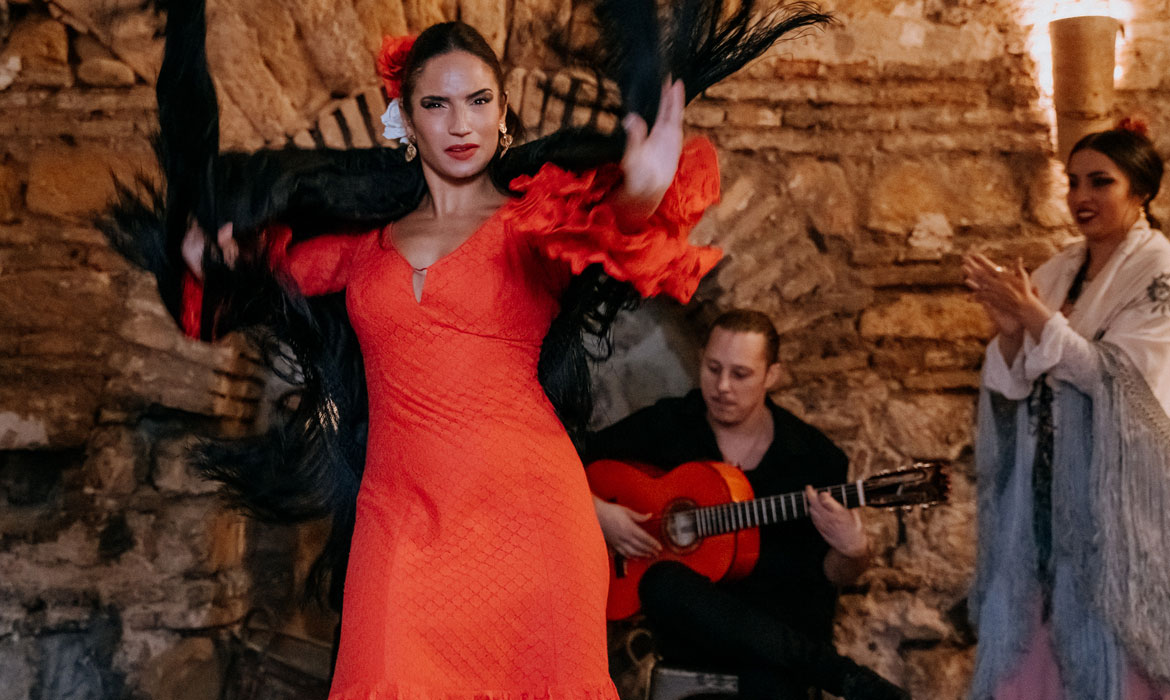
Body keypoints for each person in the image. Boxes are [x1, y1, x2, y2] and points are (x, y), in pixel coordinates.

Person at [102, 0, 837, 697]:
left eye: (480, 101)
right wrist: (204, 252)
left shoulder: (536, 223)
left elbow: (622, 232)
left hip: (535, 529)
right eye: (438, 104)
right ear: (406, 121)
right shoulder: (360, 246)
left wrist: (642, 190)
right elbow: (231, 298)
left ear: (502, 114)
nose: (462, 123)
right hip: (400, 526)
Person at [583, 309, 910, 700]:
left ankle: (824, 671)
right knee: (661, 582)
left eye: (740, 374)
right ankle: (842, 676)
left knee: (770, 678)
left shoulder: (813, 457)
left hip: (779, 651)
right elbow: (562, 461)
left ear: (772, 375)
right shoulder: (668, 425)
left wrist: (854, 551)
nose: (722, 386)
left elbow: (833, 575)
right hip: (697, 644)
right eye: (712, 368)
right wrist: (600, 513)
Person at [963, 122, 1170, 700]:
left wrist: (1032, 319)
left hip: (1115, 505)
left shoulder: (1158, 273)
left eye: (1100, 182)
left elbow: (1121, 379)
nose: (1081, 196)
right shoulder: (1058, 270)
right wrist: (1009, 334)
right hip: (1043, 501)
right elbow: (1020, 380)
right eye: (1073, 181)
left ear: (1140, 191)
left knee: (1113, 657)